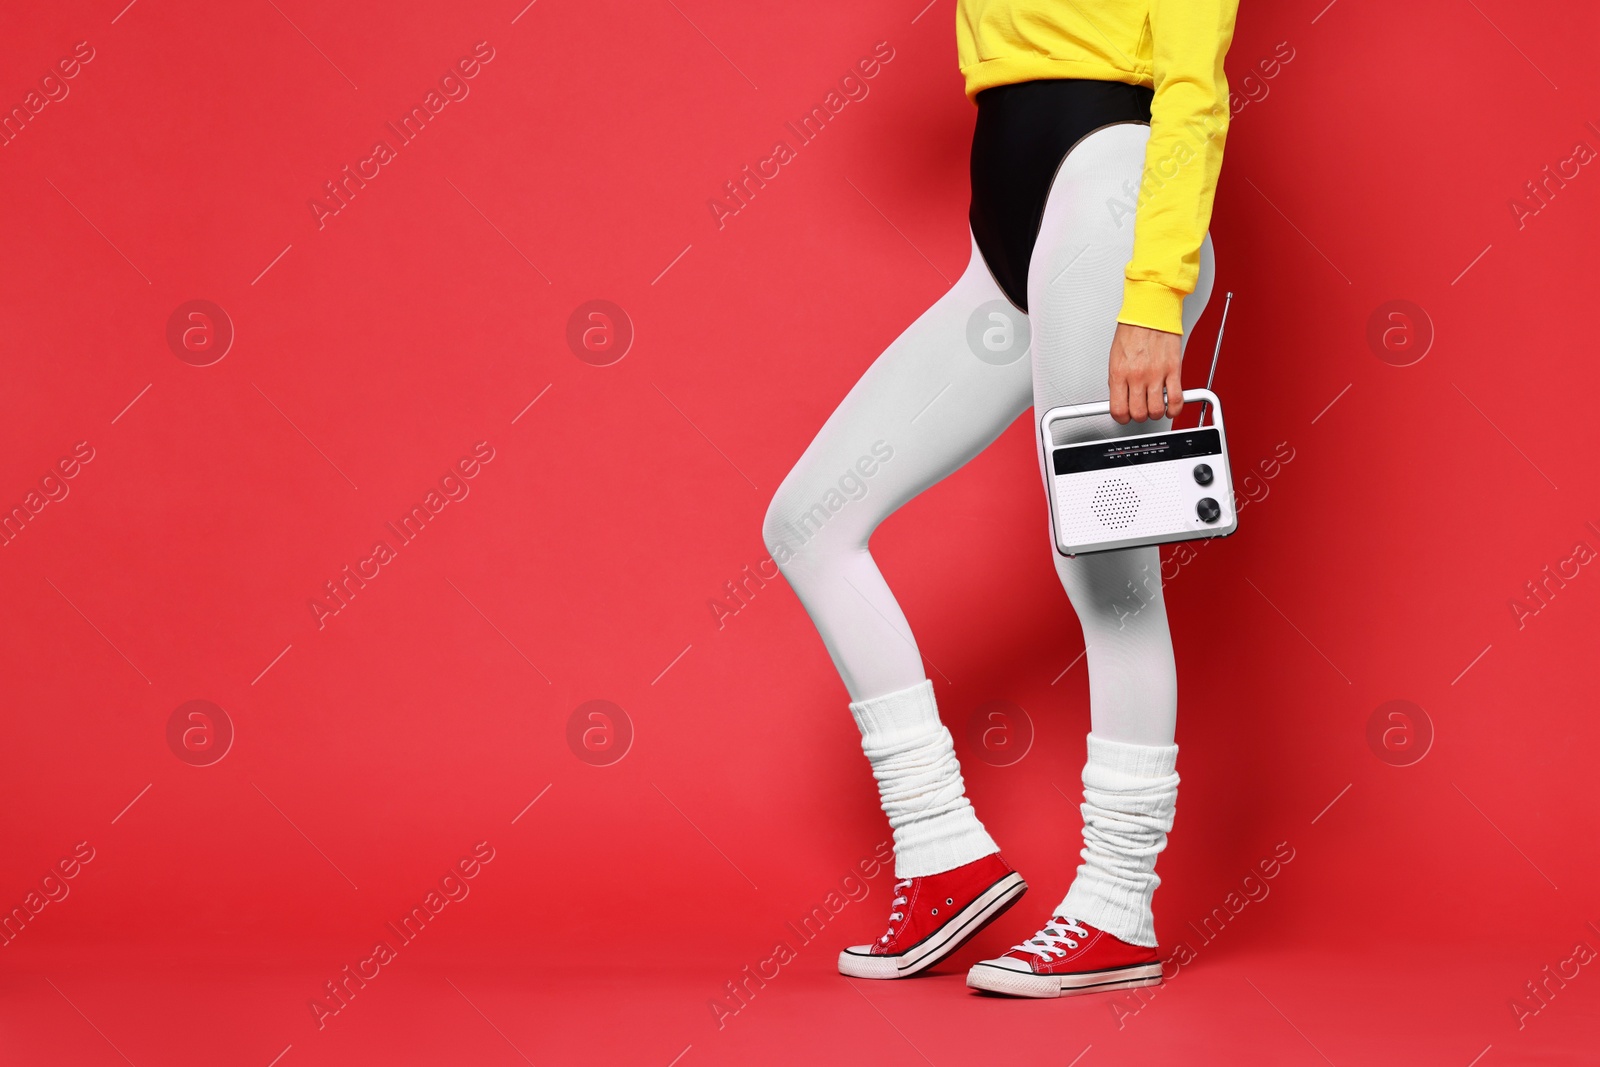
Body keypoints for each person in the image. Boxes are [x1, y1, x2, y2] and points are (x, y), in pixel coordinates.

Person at [761, 0, 1237, 998]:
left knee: (1104, 568)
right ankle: (942, 849)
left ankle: (1117, 905)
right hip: (1011, 222)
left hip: (1112, 202)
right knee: (808, 520)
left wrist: (1153, 297)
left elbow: (1195, 82)